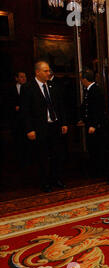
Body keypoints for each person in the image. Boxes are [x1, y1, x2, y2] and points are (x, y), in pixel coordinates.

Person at [20, 61, 68, 192]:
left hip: (55, 126)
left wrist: (63, 122)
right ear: (37, 72)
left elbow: (60, 106)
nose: (49, 73)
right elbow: (25, 112)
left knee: (57, 154)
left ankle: (56, 179)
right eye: (46, 71)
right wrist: (29, 129)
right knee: (43, 156)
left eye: (49, 71)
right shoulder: (28, 88)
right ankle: (45, 182)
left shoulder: (53, 86)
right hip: (40, 128)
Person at [80, 69, 109, 185]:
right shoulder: (88, 90)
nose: (81, 81)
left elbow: (98, 109)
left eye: (81, 79)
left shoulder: (96, 90)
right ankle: (98, 172)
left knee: (104, 151)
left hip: (99, 128)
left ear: (85, 79)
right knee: (95, 151)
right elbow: (87, 108)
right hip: (92, 126)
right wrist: (84, 120)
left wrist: (93, 125)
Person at [9, 71, 28, 164]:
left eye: (25, 76)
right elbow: (6, 103)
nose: (24, 78)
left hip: (28, 120)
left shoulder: (30, 88)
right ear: (16, 78)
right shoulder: (11, 89)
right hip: (16, 120)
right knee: (18, 140)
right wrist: (14, 107)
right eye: (21, 77)